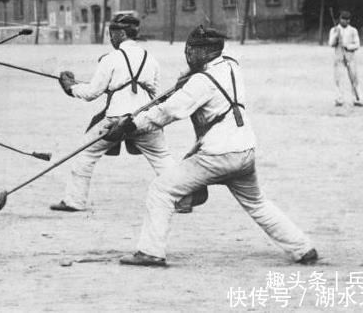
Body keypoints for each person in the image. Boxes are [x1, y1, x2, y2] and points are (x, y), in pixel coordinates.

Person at [102, 25, 317, 267]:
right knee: (258, 203)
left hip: (217, 155)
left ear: (203, 52)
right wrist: (186, 79)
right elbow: (190, 86)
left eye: (192, 50)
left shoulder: (201, 82)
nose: (189, 54)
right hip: (244, 151)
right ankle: (302, 248)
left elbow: (167, 112)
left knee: (160, 190)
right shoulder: (231, 66)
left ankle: (151, 252)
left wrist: (128, 126)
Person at [51, 14, 174, 212]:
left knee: (86, 154)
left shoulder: (110, 59)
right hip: (145, 119)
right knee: (162, 158)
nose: (110, 38)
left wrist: (71, 88)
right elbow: (154, 93)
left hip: (115, 120)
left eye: (112, 34)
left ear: (122, 34)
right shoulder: (151, 59)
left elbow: (92, 93)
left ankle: (74, 201)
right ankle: (181, 199)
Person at [328, 10, 362, 107]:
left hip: (350, 57)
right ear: (340, 19)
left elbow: (357, 44)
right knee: (338, 79)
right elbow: (331, 44)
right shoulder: (334, 30)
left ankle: (357, 99)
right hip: (339, 58)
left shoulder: (353, 30)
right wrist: (336, 36)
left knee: (354, 78)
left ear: (349, 21)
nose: (344, 21)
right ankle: (339, 99)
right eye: (343, 19)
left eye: (347, 19)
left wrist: (347, 46)